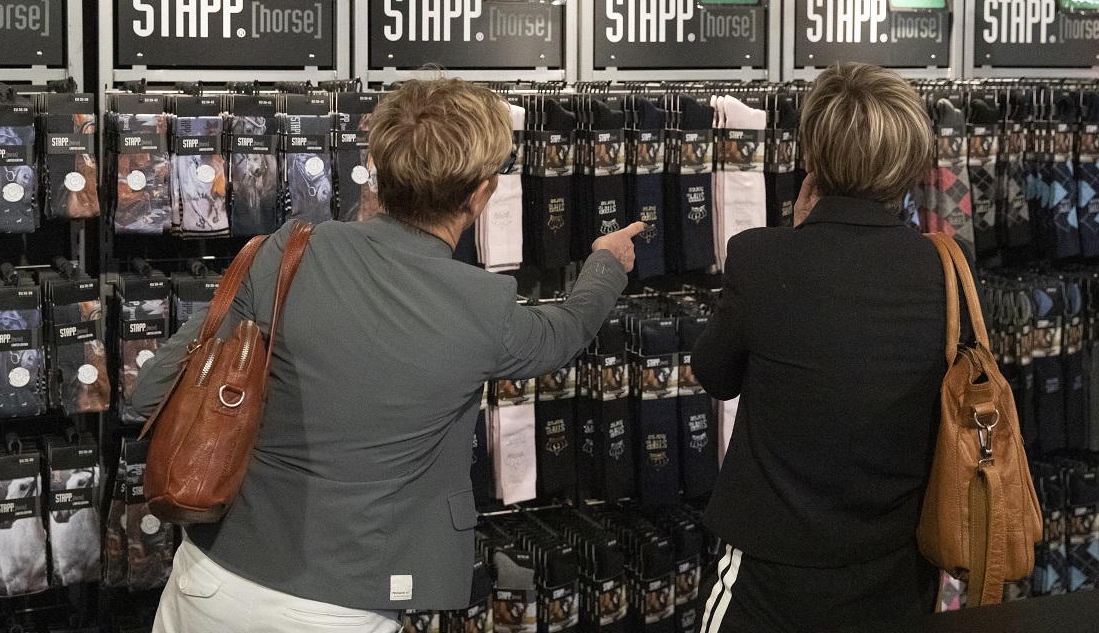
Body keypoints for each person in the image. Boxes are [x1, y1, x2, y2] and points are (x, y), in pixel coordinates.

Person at [130, 77, 643, 633]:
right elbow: (564, 332)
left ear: (376, 168)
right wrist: (606, 263)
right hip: (342, 606)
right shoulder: (483, 307)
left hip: (209, 581)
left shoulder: (288, 253)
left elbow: (152, 392)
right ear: (481, 194)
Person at [692, 63, 948, 632]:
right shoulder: (946, 270)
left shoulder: (760, 257)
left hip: (772, 575)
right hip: (897, 567)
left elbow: (714, 374)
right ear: (910, 163)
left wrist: (798, 237)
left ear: (812, 156)